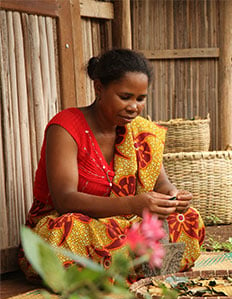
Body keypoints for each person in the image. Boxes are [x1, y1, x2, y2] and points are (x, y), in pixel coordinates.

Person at [19, 49, 205, 281]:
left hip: (123, 223)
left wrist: (172, 196)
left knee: (186, 218)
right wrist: (131, 204)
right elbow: (64, 200)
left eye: (140, 99)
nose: (133, 107)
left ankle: (130, 270)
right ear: (99, 88)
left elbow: (161, 181)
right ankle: (131, 269)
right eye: (125, 97)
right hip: (70, 222)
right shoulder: (66, 127)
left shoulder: (140, 131)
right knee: (68, 229)